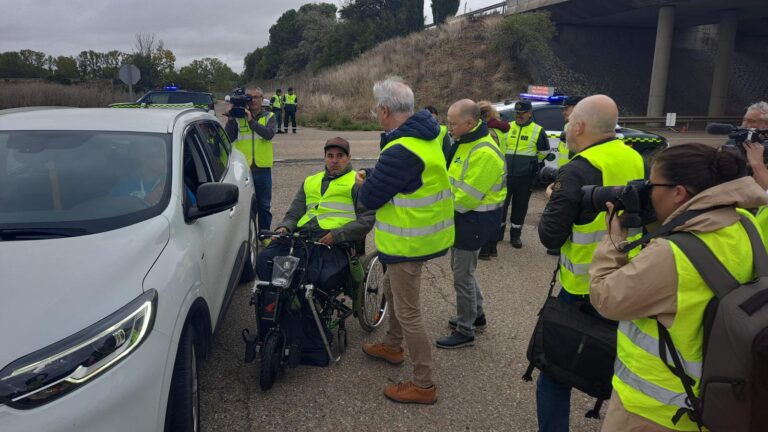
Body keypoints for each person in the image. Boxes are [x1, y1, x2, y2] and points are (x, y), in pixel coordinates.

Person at [589, 143, 768, 431]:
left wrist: (614, 239)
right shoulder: (744, 222)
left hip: (655, 412)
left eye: (652, 185)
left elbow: (606, 298)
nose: (648, 192)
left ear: (678, 193)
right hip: (719, 401)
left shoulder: (671, 254)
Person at [536, 95, 645, 432]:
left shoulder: (576, 169)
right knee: (619, 368)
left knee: (554, 374)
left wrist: (555, 197)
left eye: (569, 123)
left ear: (580, 127)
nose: (566, 128)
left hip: (583, 290)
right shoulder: (634, 157)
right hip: (629, 283)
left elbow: (550, 236)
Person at [357, 77, 453, 405]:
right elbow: (411, 178)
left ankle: (424, 384)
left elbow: (370, 198)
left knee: (409, 311)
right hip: (422, 237)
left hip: (408, 243)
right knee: (392, 290)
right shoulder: (432, 134)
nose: (376, 114)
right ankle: (392, 345)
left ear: (385, 110)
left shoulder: (400, 149)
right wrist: (379, 175)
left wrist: (364, 182)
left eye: (376, 109)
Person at [256, 136, 374, 285]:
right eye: (330, 156)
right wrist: (284, 227)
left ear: (349, 158)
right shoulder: (310, 181)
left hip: (334, 244)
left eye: (340, 156)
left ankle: (298, 298)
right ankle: (280, 298)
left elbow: (366, 220)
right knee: (264, 260)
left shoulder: (357, 182)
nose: (335, 160)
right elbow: (294, 213)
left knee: (311, 276)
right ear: (324, 158)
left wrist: (336, 235)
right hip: (302, 238)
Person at [436, 99, 505, 349]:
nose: (449, 127)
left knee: (462, 276)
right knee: (463, 271)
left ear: (469, 122)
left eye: (453, 124)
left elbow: (465, 199)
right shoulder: (466, 142)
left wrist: (436, 206)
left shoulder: (484, 153)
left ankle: (466, 330)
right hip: (465, 218)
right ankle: (477, 315)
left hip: (473, 220)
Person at [225, 86, 277, 238]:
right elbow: (228, 138)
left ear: (262, 99)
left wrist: (251, 121)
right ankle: (245, 236)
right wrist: (230, 118)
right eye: (250, 97)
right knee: (242, 205)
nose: (253, 100)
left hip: (262, 168)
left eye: (256, 97)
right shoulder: (238, 116)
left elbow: (268, 134)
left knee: (264, 205)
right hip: (243, 169)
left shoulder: (270, 116)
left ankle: (264, 235)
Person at [501, 100, 550, 248]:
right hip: (506, 174)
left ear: (530, 113)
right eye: (517, 113)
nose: (519, 116)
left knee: (520, 206)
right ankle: (498, 233)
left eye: (522, 113)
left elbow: (544, 152)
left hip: (525, 177)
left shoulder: (538, 130)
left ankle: (515, 235)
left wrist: (529, 163)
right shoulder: (508, 127)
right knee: (501, 205)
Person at [477, 100, 510, 259]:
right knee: (495, 213)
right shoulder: (500, 130)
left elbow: (486, 158)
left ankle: (485, 250)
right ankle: (492, 248)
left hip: (490, 175)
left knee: (485, 214)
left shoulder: (489, 133)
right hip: (500, 175)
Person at [742, 101, 768, 190]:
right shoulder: (735, 143)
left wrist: (757, 164)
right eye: (744, 120)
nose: (745, 125)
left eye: (751, 121)